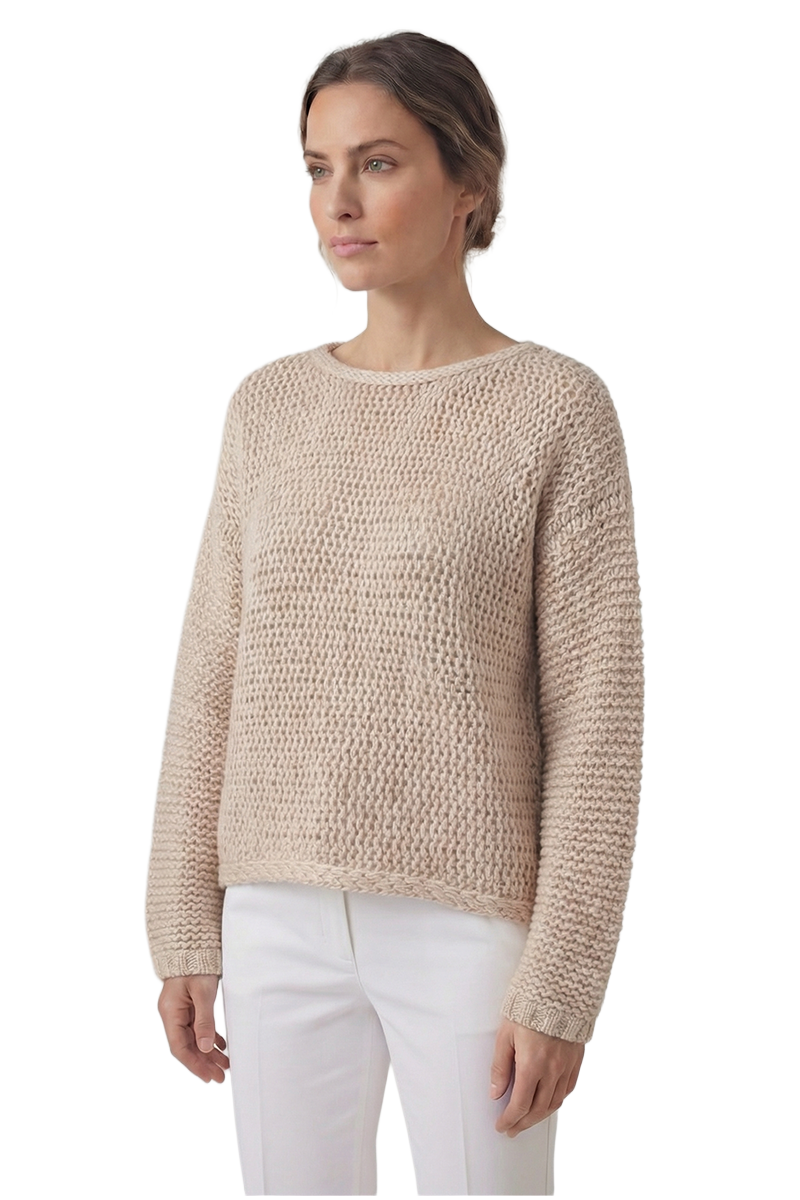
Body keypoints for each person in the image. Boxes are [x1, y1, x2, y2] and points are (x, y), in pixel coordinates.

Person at [146, 29, 644, 1198]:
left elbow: (598, 717)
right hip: (271, 913)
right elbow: (210, 674)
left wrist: (562, 979)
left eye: (376, 164)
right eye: (317, 168)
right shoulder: (268, 407)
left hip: (466, 923)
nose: (338, 202)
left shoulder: (552, 409)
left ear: (469, 182)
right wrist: (181, 923)